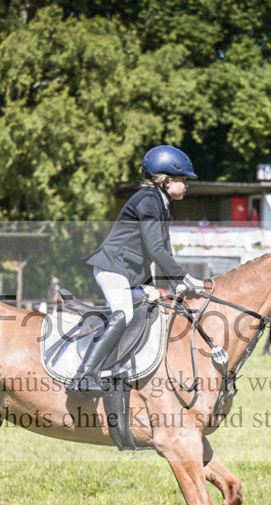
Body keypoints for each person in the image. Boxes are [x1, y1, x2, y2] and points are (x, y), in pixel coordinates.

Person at [70, 145, 206, 394]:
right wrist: (185, 276)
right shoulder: (147, 201)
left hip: (129, 273)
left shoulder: (161, 204)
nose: (186, 185)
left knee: (154, 311)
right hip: (113, 269)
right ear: (164, 180)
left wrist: (179, 288)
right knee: (125, 314)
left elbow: (165, 251)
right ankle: (83, 376)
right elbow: (155, 249)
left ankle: (127, 371)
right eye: (182, 179)